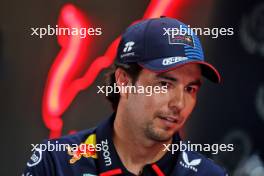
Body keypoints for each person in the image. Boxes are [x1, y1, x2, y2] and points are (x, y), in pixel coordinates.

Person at [23, 17, 227, 176]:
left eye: (190, 89)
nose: (179, 104)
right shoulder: (56, 163)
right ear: (124, 81)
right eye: (164, 85)